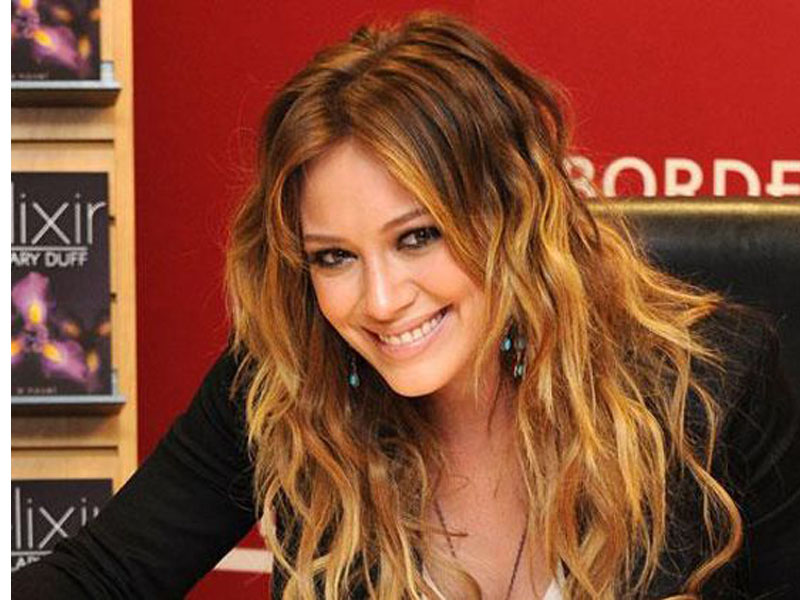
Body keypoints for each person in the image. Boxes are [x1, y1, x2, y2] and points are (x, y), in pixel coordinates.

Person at [12, 12, 800, 600]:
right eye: (334, 257)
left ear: (511, 214)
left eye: (418, 238)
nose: (382, 302)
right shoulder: (287, 380)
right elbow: (100, 575)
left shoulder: (710, 382)